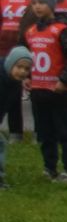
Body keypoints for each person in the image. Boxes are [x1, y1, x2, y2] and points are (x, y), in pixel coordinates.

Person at [20, 0, 67, 181]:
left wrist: (64, 80)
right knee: (45, 132)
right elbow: (30, 58)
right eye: (34, 3)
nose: (38, 6)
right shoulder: (30, 32)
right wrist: (28, 76)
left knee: (65, 131)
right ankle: (49, 166)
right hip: (39, 90)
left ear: (52, 4)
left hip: (59, 91)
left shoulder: (62, 30)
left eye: (42, 2)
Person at [0, 0, 30, 140]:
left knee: (16, 89)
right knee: (4, 87)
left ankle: (16, 131)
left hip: (23, 46)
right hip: (3, 47)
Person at [0, 48, 28, 187]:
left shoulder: (15, 83)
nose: (23, 71)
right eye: (19, 67)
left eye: (26, 69)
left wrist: (16, 132)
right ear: (10, 64)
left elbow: (15, 109)